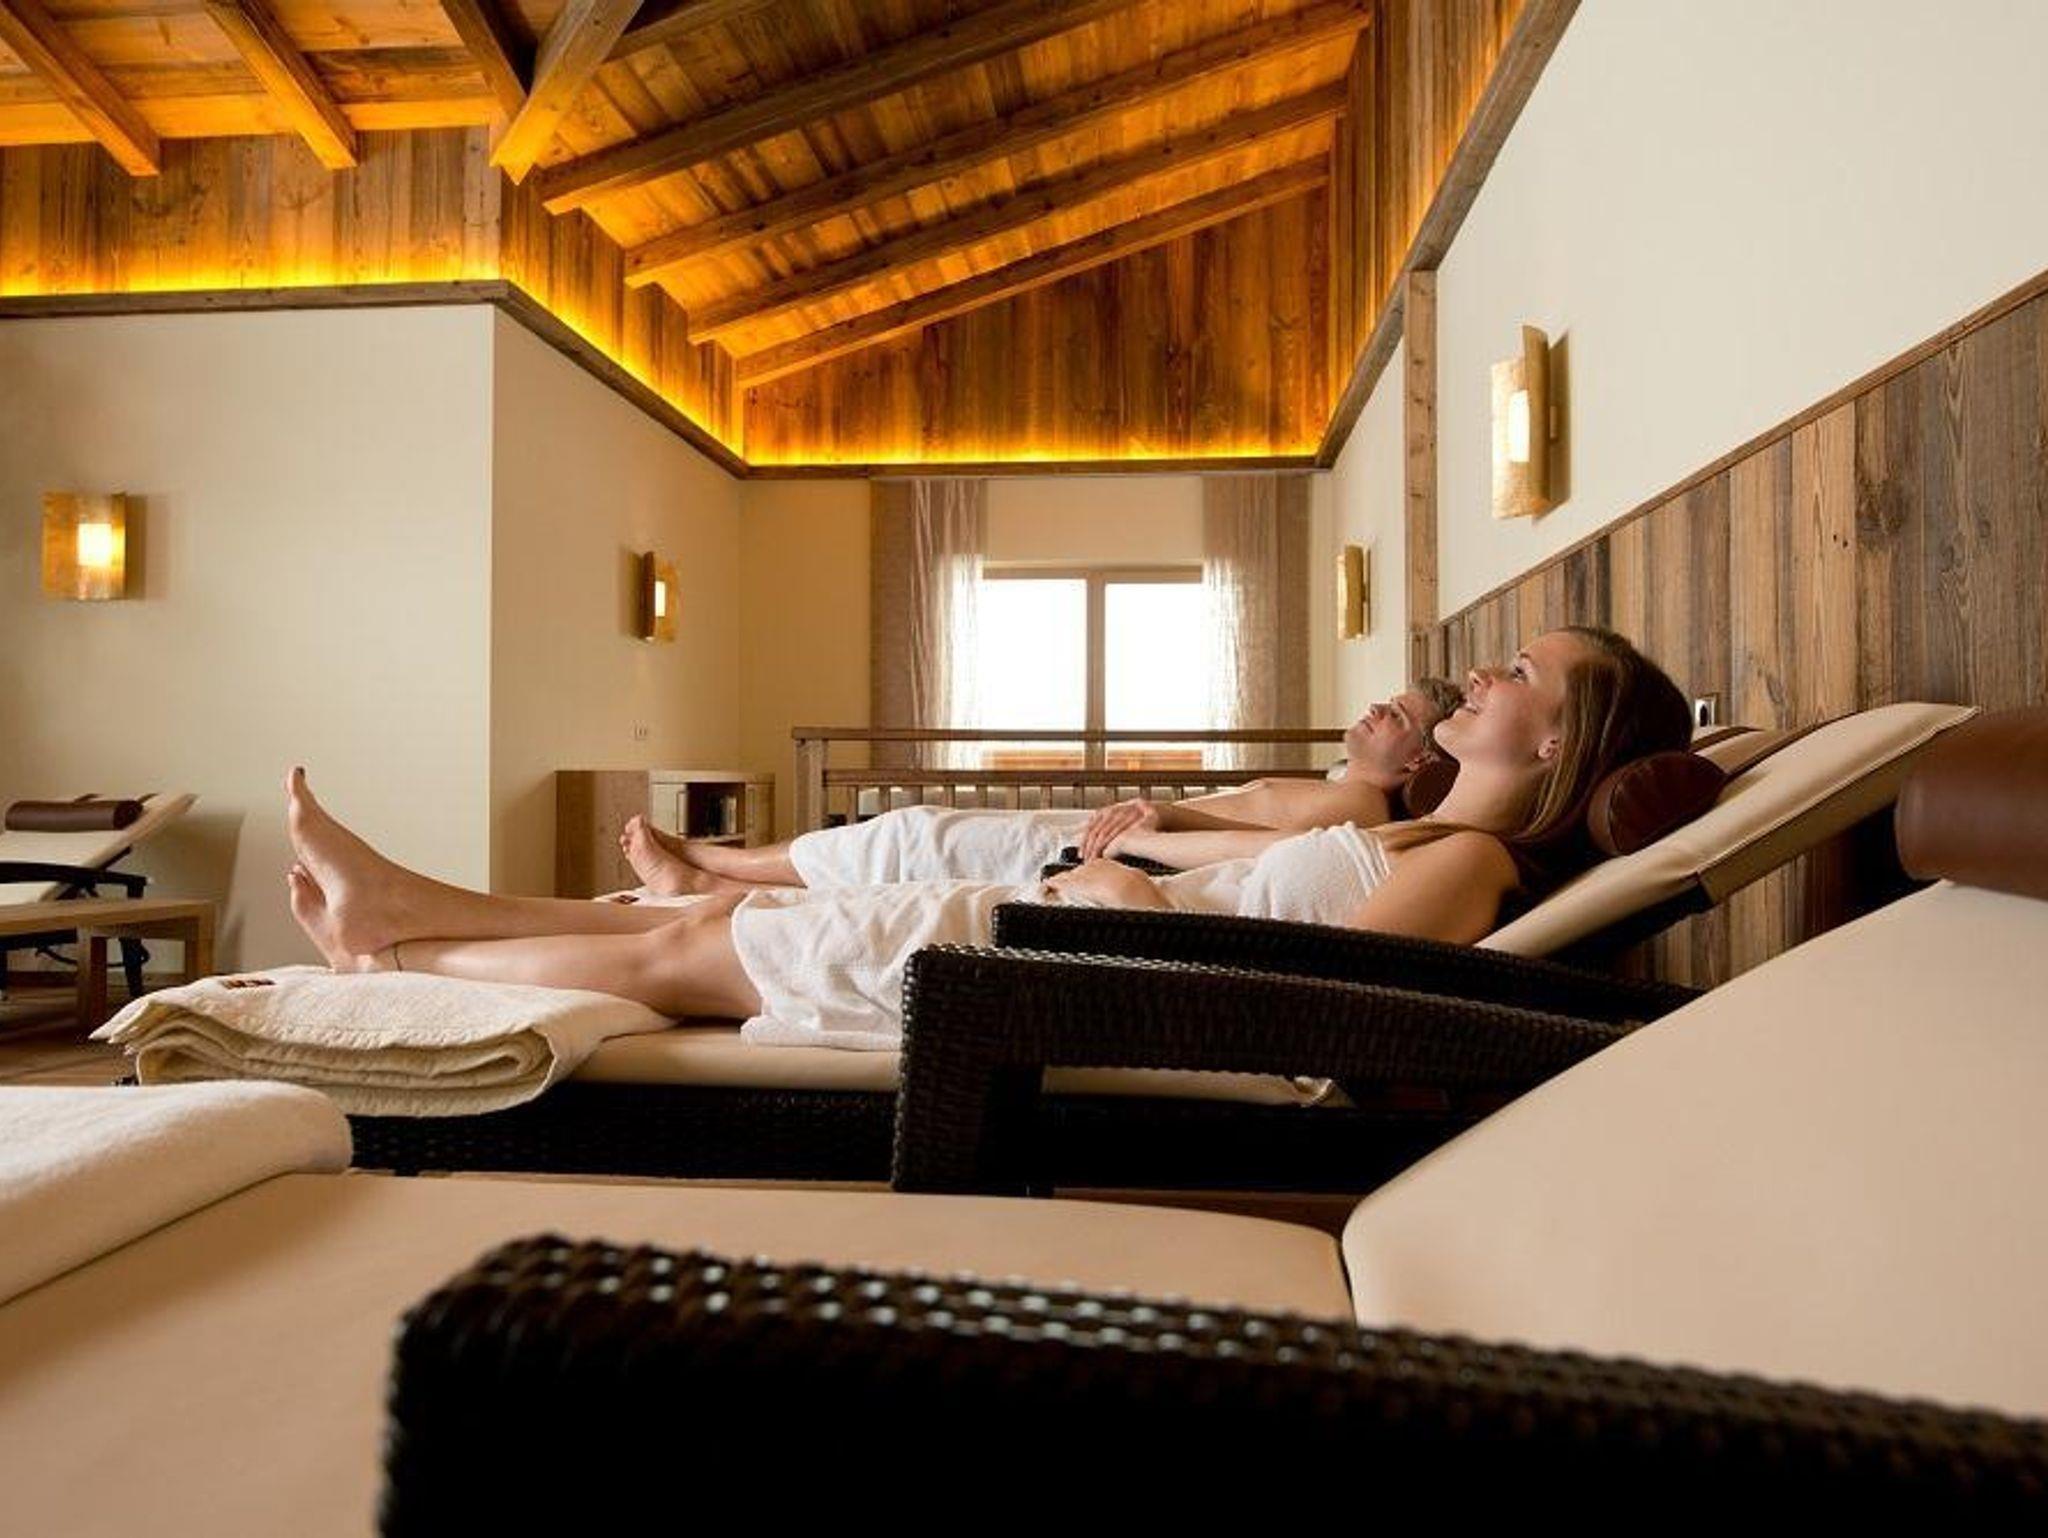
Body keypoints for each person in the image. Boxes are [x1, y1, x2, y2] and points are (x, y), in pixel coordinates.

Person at [284, 629, 1691, 1052]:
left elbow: (1307, 1017)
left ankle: (393, 956)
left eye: (1521, 673)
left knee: (690, 953)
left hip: (1071, 968)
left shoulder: (1468, 865)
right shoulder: (1426, 833)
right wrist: (1139, 866)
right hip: (1066, 931)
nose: (1481, 676)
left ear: (1557, 744)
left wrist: (1129, 900)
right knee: (706, 929)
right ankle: (405, 912)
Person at [616, 680, 1466, 897]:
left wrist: (1153, 823)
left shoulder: (1357, 807)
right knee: (913, 840)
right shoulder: (1346, 791)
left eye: (1396, 716)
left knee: (912, 839)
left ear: (1419, 764)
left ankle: (715, 870)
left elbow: (1260, 848)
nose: (1375, 709)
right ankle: (714, 875)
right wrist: (1156, 813)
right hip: (1124, 837)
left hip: (1118, 851)